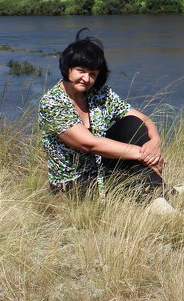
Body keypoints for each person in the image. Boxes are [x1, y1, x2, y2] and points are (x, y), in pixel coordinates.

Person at [38, 29, 173, 208]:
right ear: (67, 68)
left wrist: (155, 143)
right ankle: (161, 195)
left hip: (102, 171)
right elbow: (89, 144)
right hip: (74, 183)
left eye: (92, 73)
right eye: (80, 71)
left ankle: (157, 195)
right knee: (132, 156)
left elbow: (144, 119)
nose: (86, 79)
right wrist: (144, 156)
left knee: (132, 124)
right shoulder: (52, 102)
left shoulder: (99, 94)